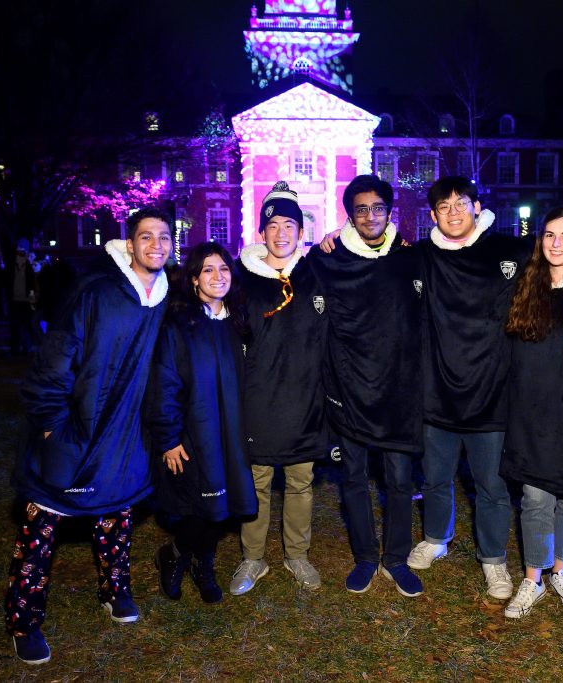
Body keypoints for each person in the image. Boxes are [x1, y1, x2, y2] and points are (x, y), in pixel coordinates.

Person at [5, 208, 171, 665]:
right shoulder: (96, 292)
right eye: (146, 236)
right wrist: (48, 420)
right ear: (130, 243)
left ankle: (114, 589)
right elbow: (58, 356)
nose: (155, 244)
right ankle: (24, 619)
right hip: (75, 425)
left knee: (115, 514)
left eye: (163, 236)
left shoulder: (166, 297)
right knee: (42, 527)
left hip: (125, 432)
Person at [405, 176, 530, 601]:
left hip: (491, 393)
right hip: (437, 392)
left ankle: (493, 559)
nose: (454, 212)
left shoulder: (509, 251)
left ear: (477, 207)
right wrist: (333, 239)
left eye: (461, 203)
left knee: (491, 486)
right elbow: (371, 257)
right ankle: (437, 538)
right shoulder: (421, 256)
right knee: (436, 477)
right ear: (433, 215)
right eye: (444, 206)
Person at [310, 174, 425, 597]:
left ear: (389, 212)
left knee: (398, 478)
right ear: (350, 215)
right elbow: (291, 286)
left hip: (399, 390)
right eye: (361, 209)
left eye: (378, 207)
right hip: (350, 388)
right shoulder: (329, 258)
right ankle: (364, 557)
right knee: (354, 478)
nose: (371, 215)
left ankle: (395, 558)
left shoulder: (410, 257)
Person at [500, 207, 563, 619]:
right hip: (531, 411)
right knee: (535, 498)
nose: (556, 244)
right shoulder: (528, 285)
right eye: (548, 235)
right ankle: (532, 579)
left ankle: (561, 569)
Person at [230, 181, 327, 595]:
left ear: (301, 232)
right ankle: (253, 558)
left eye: (290, 224)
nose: (282, 232)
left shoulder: (317, 276)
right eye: (274, 225)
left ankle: (297, 554)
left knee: (301, 481)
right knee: (257, 481)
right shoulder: (242, 282)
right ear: (261, 232)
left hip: (307, 400)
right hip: (259, 400)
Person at [150, 242, 257, 606]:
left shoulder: (238, 322)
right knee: (197, 504)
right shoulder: (180, 324)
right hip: (192, 433)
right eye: (208, 270)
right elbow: (164, 382)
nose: (218, 276)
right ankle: (177, 553)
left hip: (230, 431)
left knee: (221, 507)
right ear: (194, 279)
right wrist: (168, 437)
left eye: (224, 269)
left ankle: (204, 565)